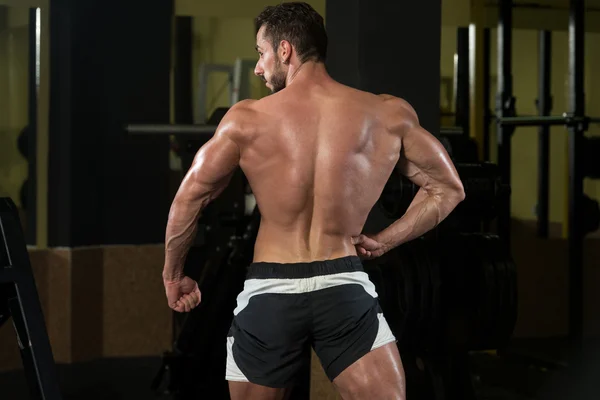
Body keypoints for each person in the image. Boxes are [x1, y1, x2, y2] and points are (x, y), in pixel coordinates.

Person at [162, 2, 465, 399]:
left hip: (271, 289)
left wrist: (173, 276)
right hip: (343, 285)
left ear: (285, 50)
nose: (258, 67)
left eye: (261, 52)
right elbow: (449, 188)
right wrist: (387, 239)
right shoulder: (387, 114)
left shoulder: (246, 120)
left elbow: (189, 198)